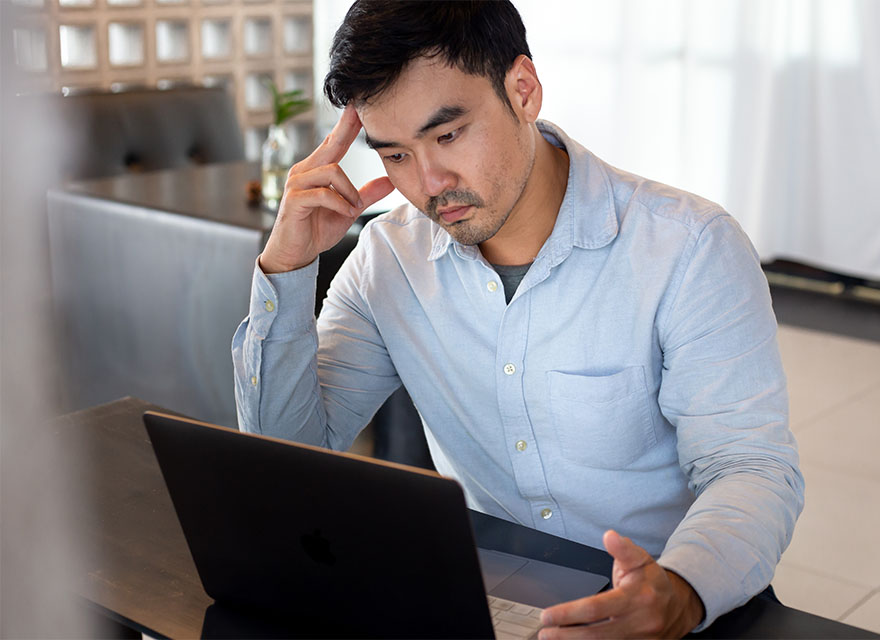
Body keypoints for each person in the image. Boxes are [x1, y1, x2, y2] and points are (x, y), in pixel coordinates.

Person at [232, 1, 804, 636]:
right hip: (488, 600)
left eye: (448, 136)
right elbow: (290, 458)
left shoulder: (689, 249)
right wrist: (284, 270)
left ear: (523, 91)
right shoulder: (388, 260)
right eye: (394, 155)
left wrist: (678, 593)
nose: (429, 183)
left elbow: (750, 469)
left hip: (671, 603)